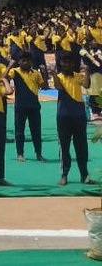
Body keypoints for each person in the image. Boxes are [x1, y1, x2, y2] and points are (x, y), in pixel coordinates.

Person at [54, 53, 92, 186]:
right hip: (63, 117)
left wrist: (87, 71)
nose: (67, 65)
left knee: (82, 146)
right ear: (61, 64)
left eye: (69, 62)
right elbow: (58, 87)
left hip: (79, 116)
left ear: (74, 64)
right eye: (64, 62)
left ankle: (84, 174)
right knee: (64, 147)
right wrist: (53, 73)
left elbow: (86, 85)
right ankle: (64, 175)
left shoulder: (78, 76)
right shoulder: (59, 77)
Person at [7, 52, 46, 161]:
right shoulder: (15, 71)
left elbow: (43, 86)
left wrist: (44, 73)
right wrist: (10, 65)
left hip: (34, 105)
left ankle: (38, 153)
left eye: (27, 60)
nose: (25, 62)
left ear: (31, 61)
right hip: (20, 106)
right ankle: (20, 154)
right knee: (19, 131)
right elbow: (4, 78)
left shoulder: (36, 73)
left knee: (36, 131)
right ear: (19, 62)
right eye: (22, 60)